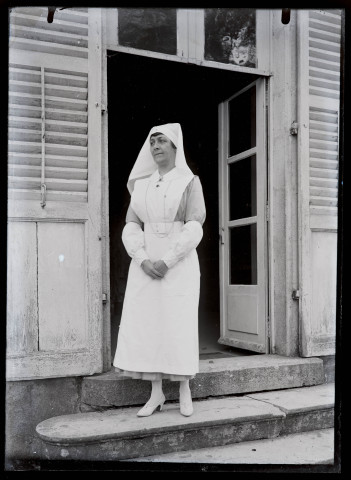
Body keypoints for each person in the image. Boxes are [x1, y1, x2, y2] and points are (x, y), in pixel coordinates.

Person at [113, 122, 206, 417]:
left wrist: (168, 260)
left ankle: (183, 391)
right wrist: (141, 258)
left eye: (161, 141)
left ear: (174, 147)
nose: (155, 146)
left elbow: (194, 226)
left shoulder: (189, 181)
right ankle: (156, 395)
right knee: (149, 325)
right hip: (146, 264)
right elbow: (131, 225)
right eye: (152, 142)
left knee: (178, 325)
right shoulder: (142, 185)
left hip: (178, 262)